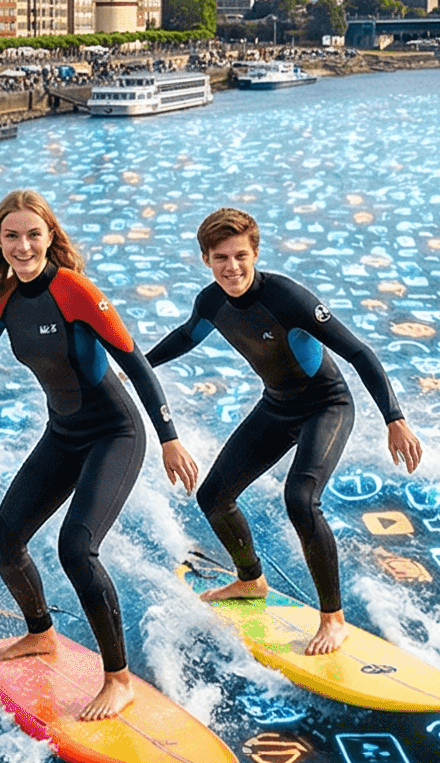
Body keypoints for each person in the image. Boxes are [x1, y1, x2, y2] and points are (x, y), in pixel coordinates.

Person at [0, 190, 198, 720]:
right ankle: (41, 633)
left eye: (33, 235)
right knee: (3, 540)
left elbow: (135, 363)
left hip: (115, 432)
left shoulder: (75, 291)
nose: (23, 246)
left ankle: (118, 680)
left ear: (49, 238)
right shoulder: (2, 301)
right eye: (12, 236)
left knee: (76, 547)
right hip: (64, 433)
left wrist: (169, 438)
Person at [147, 207, 422, 655]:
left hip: (326, 407)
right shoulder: (210, 302)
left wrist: (395, 419)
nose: (231, 267)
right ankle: (250, 580)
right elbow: (185, 336)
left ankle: (333, 619)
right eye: (220, 258)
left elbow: (360, 352)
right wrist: (136, 369)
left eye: (240, 255)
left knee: (300, 498)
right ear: (206, 259)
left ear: (255, 253)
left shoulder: (287, 297)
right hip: (277, 407)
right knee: (213, 496)